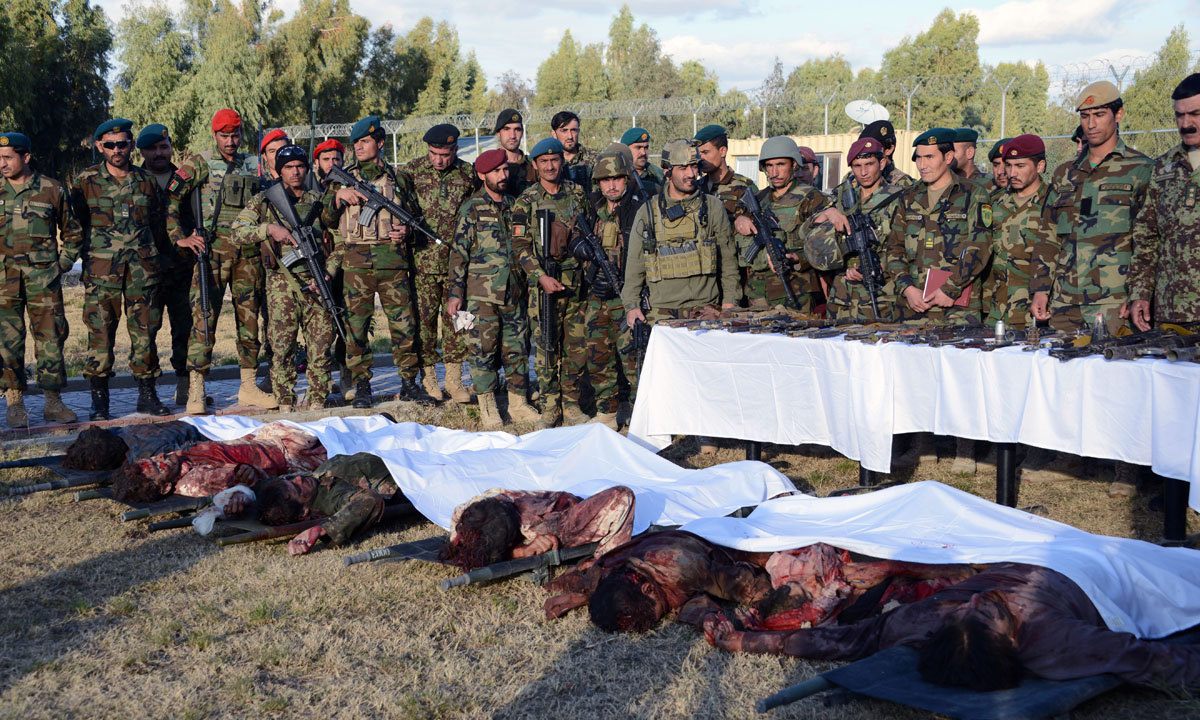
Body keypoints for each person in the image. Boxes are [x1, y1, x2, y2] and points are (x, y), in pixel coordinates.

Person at [704, 562, 1200, 692]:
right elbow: (1154, 660)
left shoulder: (927, 621)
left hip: (1010, 556)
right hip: (1082, 571)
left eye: (971, 612)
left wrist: (747, 639)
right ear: (1011, 638)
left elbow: (835, 640)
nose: (974, 603)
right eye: (985, 613)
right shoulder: (1052, 640)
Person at [169, 109, 276, 414]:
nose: (230, 141)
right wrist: (181, 236)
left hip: (248, 254)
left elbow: (271, 202)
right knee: (203, 319)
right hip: (211, 253)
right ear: (214, 135)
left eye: (235, 135)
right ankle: (196, 390)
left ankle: (248, 387)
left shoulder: (255, 165)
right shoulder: (199, 163)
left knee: (250, 320)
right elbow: (172, 200)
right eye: (224, 136)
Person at [325, 115, 433, 408]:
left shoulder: (399, 178)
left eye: (365, 141)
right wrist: (337, 199)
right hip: (356, 265)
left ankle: (410, 382)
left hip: (393, 263)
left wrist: (407, 231)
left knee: (404, 326)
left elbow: (416, 217)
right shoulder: (342, 177)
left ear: (380, 143)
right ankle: (362, 386)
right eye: (356, 142)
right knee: (356, 328)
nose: (359, 147)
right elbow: (324, 219)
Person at [67, 118, 171, 420]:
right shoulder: (85, 182)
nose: (117, 150)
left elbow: (157, 223)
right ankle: (100, 402)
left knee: (146, 334)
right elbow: (79, 223)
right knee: (100, 335)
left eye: (123, 144)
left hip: (142, 271)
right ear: (100, 146)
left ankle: (147, 396)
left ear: (130, 145)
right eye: (110, 145)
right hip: (102, 273)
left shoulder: (146, 181)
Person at [1034, 81, 1152, 335]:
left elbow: (1148, 242)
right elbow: (1048, 237)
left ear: (1118, 115)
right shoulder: (1065, 173)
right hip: (1065, 302)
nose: (1091, 124)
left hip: (1114, 302)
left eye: (1099, 115)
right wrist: (1041, 289)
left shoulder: (1141, 169)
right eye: (1085, 116)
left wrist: (1138, 294)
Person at [230, 144, 340, 410]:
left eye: (300, 166)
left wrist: (329, 271)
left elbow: (341, 241)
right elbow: (237, 232)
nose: (295, 172)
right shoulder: (266, 201)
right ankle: (285, 402)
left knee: (321, 345)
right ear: (279, 171)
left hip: (316, 282)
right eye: (289, 168)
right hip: (281, 284)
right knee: (281, 348)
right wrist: (269, 229)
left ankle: (316, 399)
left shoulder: (318, 199)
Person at [446, 149, 540, 429]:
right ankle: (488, 407)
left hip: (514, 291)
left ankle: (518, 403)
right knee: (483, 349)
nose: (503, 175)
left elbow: (526, 244)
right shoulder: (471, 208)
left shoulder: (515, 206)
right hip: (481, 295)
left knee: (517, 348)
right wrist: (455, 292)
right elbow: (459, 253)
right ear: (482, 175)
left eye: (504, 170)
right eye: (496, 171)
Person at [542, 530, 774, 633]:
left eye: (656, 612)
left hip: (717, 538)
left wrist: (762, 606)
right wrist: (585, 595)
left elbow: (748, 586)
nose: (664, 615)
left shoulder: (684, 569)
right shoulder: (618, 574)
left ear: (648, 587)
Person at [512, 137, 593, 428]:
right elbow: (519, 248)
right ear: (535, 165)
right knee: (546, 346)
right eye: (543, 162)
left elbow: (588, 235)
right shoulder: (526, 200)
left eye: (554, 160)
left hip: (575, 284)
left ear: (562, 161)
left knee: (575, 347)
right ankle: (549, 406)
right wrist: (540, 276)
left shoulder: (578, 194)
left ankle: (571, 405)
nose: (549, 166)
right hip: (543, 285)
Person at [0, 131, 79, 427]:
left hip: (43, 281)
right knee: (7, 341)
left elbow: (73, 234)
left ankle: (53, 401)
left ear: (26, 157)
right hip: (4, 281)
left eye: (8, 158)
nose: (2, 164)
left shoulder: (52, 190)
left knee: (51, 339)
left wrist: (62, 265)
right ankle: (15, 402)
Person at [622, 139, 740, 326]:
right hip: (661, 312)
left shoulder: (712, 207)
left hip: (705, 309)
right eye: (683, 168)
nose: (691, 174)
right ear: (668, 172)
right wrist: (632, 306)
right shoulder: (648, 212)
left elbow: (728, 262)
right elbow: (635, 265)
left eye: (694, 167)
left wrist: (729, 303)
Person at [884, 127, 993, 326]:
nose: (922, 165)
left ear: (948, 156)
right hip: (912, 308)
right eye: (918, 158)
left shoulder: (973, 194)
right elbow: (894, 249)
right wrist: (907, 288)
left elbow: (979, 248)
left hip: (956, 309)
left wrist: (950, 288)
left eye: (929, 157)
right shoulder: (908, 197)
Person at [406, 123, 478, 404]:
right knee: (424, 325)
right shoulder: (412, 172)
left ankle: (454, 380)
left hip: (457, 264)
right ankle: (429, 379)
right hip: (421, 263)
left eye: (445, 154)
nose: (438, 159)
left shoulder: (467, 174)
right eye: (434, 153)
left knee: (458, 323)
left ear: (456, 150)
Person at [805, 137, 906, 321]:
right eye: (857, 166)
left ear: (882, 163)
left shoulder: (899, 199)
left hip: (882, 294)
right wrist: (829, 213)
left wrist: (879, 266)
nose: (863, 172)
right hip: (843, 297)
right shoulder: (840, 198)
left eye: (869, 164)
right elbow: (805, 231)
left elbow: (908, 246)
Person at [1129, 73, 1200, 332]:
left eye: (1195, 114)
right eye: (1179, 116)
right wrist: (1140, 292)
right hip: (1172, 312)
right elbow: (1147, 236)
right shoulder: (1163, 168)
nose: (1186, 123)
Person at [111, 421, 326, 502]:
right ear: (166, 487)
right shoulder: (199, 481)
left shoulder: (180, 462)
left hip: (269, 438)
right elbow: (242, 478)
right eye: (158, 465)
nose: (161, 457)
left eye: (154, 458)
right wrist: (244, 474)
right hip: (292, 454)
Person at [587, 147, 649, 422]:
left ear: (626, 179)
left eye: (617, 179)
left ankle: (642, 416)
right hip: (598, 298)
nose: (611, 186)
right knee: (598, 356)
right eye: (605, 180)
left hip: (630, 296)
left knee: (634, 359)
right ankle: (607, 412)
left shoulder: (639, 209)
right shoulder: (592, 208)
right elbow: (577, 240)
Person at [137, 123, 196, 407]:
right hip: (145, 270)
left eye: (163, 147)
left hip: (182, 268)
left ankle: (185, 386)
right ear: (142, 151)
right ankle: (147, 392)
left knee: (185, 328)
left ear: (171, 147)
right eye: (152, 148)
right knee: (146, 330)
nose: (159, 153)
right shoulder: (134, 180)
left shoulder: (186, 178)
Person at [440, 485, 635, 570]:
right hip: (534, 523)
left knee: (621, 496)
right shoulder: (470, 512)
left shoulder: (538, 526)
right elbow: (459, 540)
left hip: (562, 515)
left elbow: (622, 496)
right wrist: (519, 552)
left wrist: (606, 560)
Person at [737, 136, 832, 311]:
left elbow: (825, 246)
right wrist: (740, 219)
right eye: (769, 166)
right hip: (757, 291)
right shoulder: (758, 199)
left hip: (796, 289)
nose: (774, 172)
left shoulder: (811, 197)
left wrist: (798, 259)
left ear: (794, 165)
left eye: (781, 165)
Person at [254, 452, 402, 555]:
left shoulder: (313, 483)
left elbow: (264, 483)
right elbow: (369, 500)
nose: (299, 479)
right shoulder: (331, 499)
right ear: (303, 512)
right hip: (406, 466)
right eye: (298, 489)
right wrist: (322, 529)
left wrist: (241, 493)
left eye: (292, 481)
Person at [986, 134, 1058, 330]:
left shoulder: (1055, 202)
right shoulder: (995, 203)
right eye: (1008, 165)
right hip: (997, 312)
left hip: (1037, 312)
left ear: (1040, 166)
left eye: (1020, 166)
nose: (1011, 173)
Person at [693, 124, 757, 304]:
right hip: (703, 270)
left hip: (735, 269)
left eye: (705, 152)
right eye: (698, 154)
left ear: (722, 151)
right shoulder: (695, 189)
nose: (700, 159)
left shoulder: (744, 187)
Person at [62, 420, 206, 470]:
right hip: (187, 425)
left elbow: (196, 450)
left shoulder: (147, 453)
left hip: (208, 432)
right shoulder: (115, 434)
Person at [857, 120, 914, 188]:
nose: (865, 152)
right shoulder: (852, 178)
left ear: (888, 150)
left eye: (872, 148)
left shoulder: (904, 184)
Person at [551, 111, 598, 192]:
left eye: (573, 130)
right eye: (564, 131)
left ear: (578, 131)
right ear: (554, 134)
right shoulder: (548, 161)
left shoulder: (595, 159)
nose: (570, 136)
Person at [494, 109, 537, 196]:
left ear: (522, 132)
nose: (512, 135)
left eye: (517, 130)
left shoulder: (534, 166)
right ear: (498, 132)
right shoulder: (489, 166)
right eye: (507, 129)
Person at [620, 127, 664, 197]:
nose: (643, 152)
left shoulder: (658, 176)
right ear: (625, 149)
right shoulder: (617, 176)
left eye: (646, 148)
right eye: (638, 147)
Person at [951, 127, 991, 192]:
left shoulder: (989, 184)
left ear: (970, 152)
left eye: (953, 151)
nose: (949, 156)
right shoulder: (945, 183)